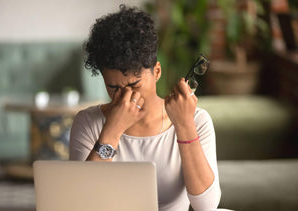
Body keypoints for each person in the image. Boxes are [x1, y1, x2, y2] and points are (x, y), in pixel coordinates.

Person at [69, 5, 221, 211]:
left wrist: (184, 126)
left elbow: (207, 206)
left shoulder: (197, 121)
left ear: (157, 71)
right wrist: (112, 131)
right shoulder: (88, 122)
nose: (124, 96)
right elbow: (80, 204)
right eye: (113, 87)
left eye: (134, 85)